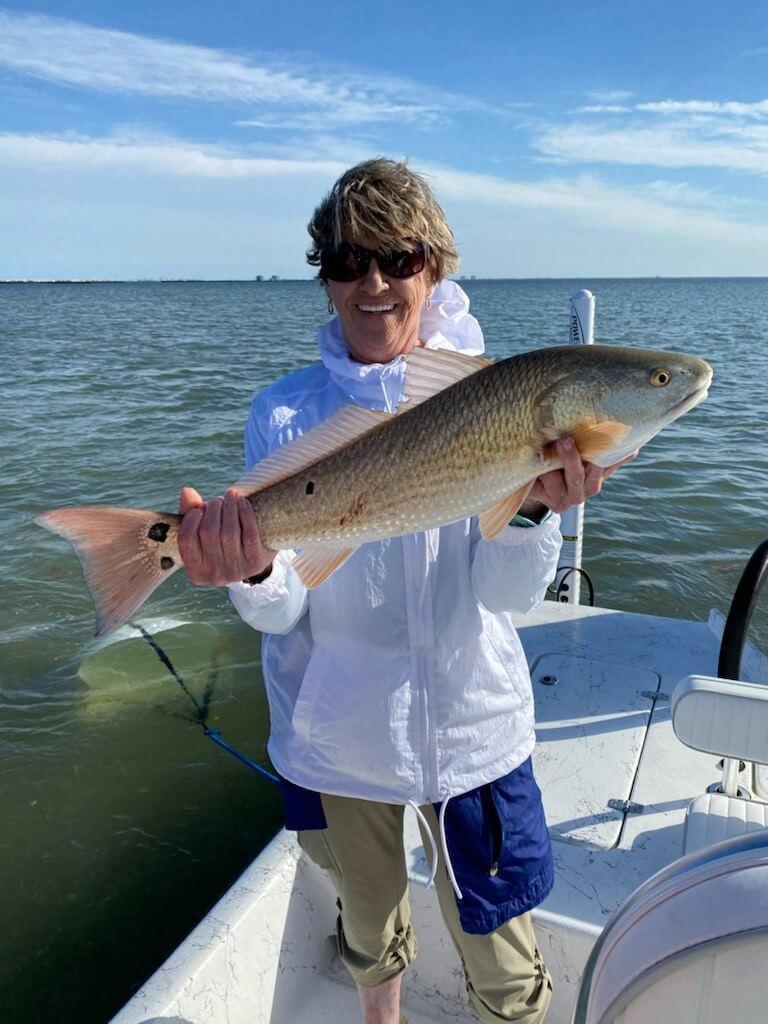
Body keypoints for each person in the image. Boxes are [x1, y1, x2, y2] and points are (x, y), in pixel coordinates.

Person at [177, 159, 630, 1024]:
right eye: (348, 261)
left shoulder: (496, 397)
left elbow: (505, 599)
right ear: (326, 276)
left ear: (437, 265)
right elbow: (283, 610)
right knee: (369, 933)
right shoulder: (285, 415)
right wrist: (253, 569)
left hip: (473, 730)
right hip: (345, 735)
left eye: (399, 257)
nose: (374, 282)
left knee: (504, 964)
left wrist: (535, 514)